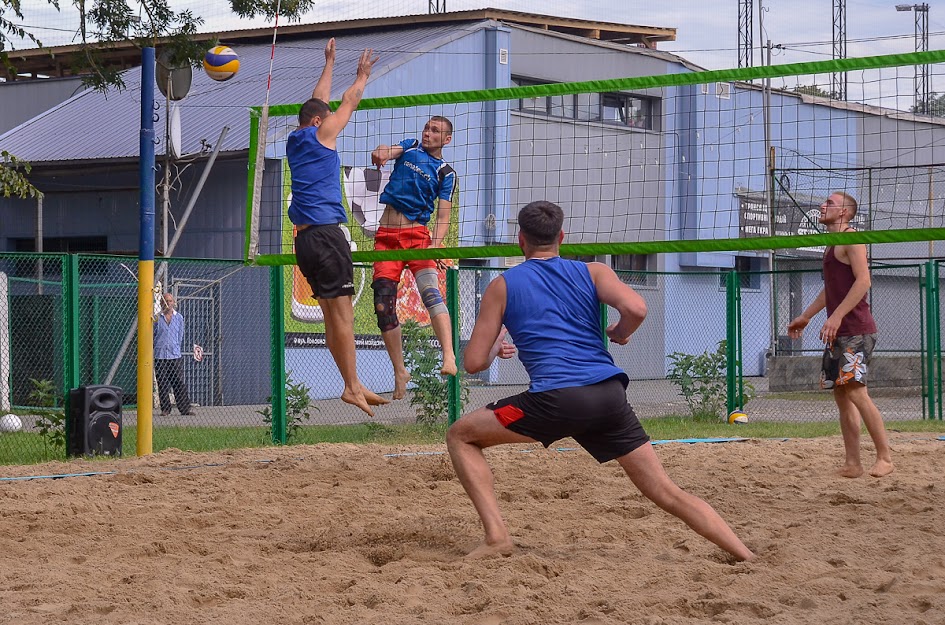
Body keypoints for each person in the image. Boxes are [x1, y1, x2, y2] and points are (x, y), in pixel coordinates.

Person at [446, 200, 755, 562]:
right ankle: (744, 555)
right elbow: (637, 308)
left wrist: (498, 343)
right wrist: (620, 333)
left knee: (461, 435)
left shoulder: (502, 285)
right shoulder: (593, 272)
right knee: (665, 490)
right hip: (609, 396)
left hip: (556, 400)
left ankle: (497, 537)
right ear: (562, 237)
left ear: (520, 241)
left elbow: (472, 362)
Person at [287, 38, 389, 417]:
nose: (330, 119)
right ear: (318, 123)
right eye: (324, 118)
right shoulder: (321, 134)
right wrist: (362, 75)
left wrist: (329, 63)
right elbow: (348, 102)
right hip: (328, 237)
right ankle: (351, 386)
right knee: (343, 317)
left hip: (306, 241)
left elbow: (319, 101)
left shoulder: (295, 139)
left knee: (334, 316)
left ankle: (354, 382)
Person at [787, 191, 894, 478]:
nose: (823, 206)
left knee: (857, 393)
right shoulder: (831, 244)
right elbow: (832, 289)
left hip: (856, 330)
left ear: (845, 212)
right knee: (842, 395)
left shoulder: (851, 237)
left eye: (830, 203)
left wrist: (835, 316)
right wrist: (806, 316)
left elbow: (864, 281)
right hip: (840, 332)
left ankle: (884, 456)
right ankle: (853, 463)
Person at [369, 116, 458, 400]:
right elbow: (390, 150)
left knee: (431, 294)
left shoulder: (446, 172)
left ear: (447, 139)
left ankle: (449, 356)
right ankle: (400, 370)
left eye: (435, 131)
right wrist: (383, 151)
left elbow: (443, 215)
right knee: (383, 304)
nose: (428, 133)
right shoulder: (411, 148)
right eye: (427, 128)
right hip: (386, 237)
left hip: (418, 238)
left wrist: (437, 246)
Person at [153, 293, 194, 416]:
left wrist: (175, 347)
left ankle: (184, 408)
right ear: (161, 303)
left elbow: (179, 335)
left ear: (174, 302)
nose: (168, 303)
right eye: (165, 301)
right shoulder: (156, 318)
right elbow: (153, 335)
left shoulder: (179, 318)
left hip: (174, 355)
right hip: (160, 355)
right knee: (163, 383)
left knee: (179, 382)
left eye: (170, 301)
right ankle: (165, 409)